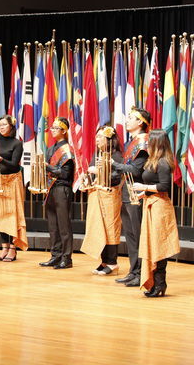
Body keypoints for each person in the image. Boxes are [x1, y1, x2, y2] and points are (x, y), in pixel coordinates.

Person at [132, 129, 180, 297]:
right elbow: (155, 184)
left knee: (158, 245)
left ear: (157, 143)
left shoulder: (163, 162)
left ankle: (160, 284)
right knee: (151, 244)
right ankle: (153, 283)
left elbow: (164, 186)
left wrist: (143, 187)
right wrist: (143, 194)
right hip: (151, 204)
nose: (146, 143)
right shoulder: (153, 161)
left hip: (160, 207)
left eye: (149, 141)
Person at [111, 108, 150, 287]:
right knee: (130, 236)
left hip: (137, 193)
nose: (127, 120)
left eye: (131, 118)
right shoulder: (131, 142)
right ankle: (134, 271)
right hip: (127, 192)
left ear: (140, 122)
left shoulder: (143, 142)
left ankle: (142, 273)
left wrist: (114, 164)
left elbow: (135, 170)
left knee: (138, 235)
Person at [80, 126, 123, 275]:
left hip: (110, 195)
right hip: (97, 194)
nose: (96, 139)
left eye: (100, 137)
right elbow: (91, 172)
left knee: (110, 228)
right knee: (99, 227)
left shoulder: (116, 155)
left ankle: (112, 262)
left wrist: (99, 171)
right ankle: (104, 261)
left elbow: (117, 177)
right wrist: (86, 179)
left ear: (109, 139)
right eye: (96, 136)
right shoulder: (98, 153)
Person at [0, 115, 28, 262]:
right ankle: (4, 247)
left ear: (11, 127)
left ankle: (13, 248)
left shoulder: (17, 143)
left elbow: (14, 165)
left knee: (12, 215)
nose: (1, 127)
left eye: (4, 125)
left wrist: (1, 159)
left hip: (12, 181)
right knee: (1, 215)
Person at [39, 117, 75, 269]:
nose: (52, 130)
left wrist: (48, 167)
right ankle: (55, 255)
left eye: (55, 128)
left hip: (62, 188)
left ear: (64, 131)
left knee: (64, 226)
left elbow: (65, 174)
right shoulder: (50, 148)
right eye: (52, 128)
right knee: (53, 225)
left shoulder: (67, 149)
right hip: (51, 189)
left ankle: (66, 258)